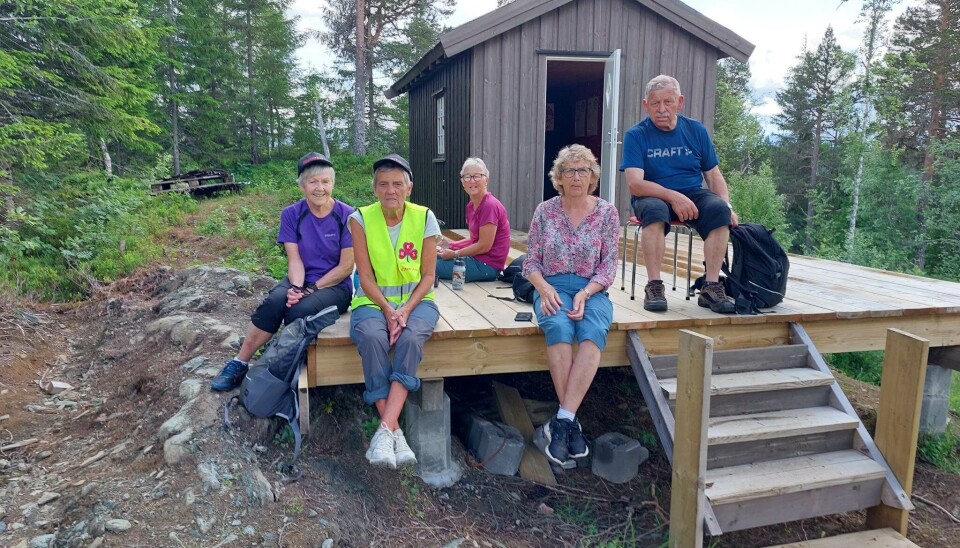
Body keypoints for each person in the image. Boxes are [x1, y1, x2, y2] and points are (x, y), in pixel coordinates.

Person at [211, 152, 355, 391]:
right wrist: (297, 288)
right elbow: (295, 260)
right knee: (275, 301)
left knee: (300, 309)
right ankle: (240, 362)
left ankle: (283, 364)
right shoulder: (292, 214)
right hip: (301, 279)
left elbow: (345, 267)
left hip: (334, 286)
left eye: (325, 182)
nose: (319, 188)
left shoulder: (347, 215)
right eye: (313, 182)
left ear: (332, 184)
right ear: (302, 185)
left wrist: (309, 291)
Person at [522, 144, 620, 466]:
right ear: (559, 178)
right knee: (558, 324)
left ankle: (562, 420)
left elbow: (608, 267)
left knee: (593, 330)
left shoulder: (607, 212)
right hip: (551, 285)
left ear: (592, 177)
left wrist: (586, 293)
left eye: (583, 171)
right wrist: (544, 288)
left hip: (592, 289)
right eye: (569, 171)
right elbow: (530, 261)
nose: (576, 177)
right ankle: (570, 421)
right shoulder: (544, 211)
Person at [348, 153, 441, 469]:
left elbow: (428, 276)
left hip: (417, 302)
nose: (391, 190)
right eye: (384, 184)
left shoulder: (424, 217)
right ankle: (395, 434)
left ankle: (384, 431)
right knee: (372, 337)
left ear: (409, 187)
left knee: (412, 339)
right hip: (372, 302)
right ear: (375, 188)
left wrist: (406, 310)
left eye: (398, 184)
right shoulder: (360, 219)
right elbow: (365, 275)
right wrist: (388, 310)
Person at [620, 74, 738, 314]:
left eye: (668, 102)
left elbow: (713, 175)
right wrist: (672, 196)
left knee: (718, 211)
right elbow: (635, 184)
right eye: (655, 103)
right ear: (646, 105)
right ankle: (654, 286)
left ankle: (711, 286)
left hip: (693, 193)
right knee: (654, 211)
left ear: (680, 102)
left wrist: (727, 205)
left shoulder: (696, 130)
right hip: (652, 194)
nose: (661, 109)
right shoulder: (636, 135)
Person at [436, 158, 511, 282]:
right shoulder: (471, 206)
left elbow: (484, 246)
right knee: (431, 257)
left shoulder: (490, 206)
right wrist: (451, 244)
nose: (472, 181)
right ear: (462, 181)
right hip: (475, 259)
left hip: (487, 267)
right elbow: (474, 240)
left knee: (429, 266)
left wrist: (455, 253)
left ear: (486, 179)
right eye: (467, 177)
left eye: (477, 176)